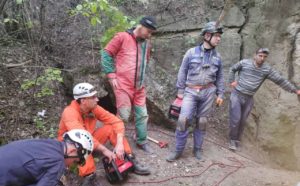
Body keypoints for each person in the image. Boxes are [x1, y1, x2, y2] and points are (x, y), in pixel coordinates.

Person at [57, 82, 151, 186]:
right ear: (83, 100)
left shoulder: (93, 108)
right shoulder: (70, 113)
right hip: (70, 149)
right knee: (80, 146)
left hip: (89, 139)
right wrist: (105, 150)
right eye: (93, 97)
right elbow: (81, 138)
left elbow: (116, 121)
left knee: (110, 129)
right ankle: (88, 179)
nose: (97, 99)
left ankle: (129, 158)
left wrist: (120, 143)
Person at [166, 21, 225, 162]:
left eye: (219, 36)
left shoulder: (218, 57)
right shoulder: (191, 53)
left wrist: (220, 93)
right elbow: (182, 71)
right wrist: (180, 90)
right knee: (183, 120)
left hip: (208, 92)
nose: (219, 39)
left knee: (202, 121)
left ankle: (197, 149)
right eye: (216, 36)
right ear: (207, 35)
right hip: (190, 91)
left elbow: (220, 76)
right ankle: (178, 150)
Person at [101, 16, 157, 154]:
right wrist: (111, 74)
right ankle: (116, 139)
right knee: (124, 115)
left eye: (151, 33)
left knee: (143, 115)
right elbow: (106, 53)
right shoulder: (121, 37)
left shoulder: (146, 43)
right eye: (148, 31)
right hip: (123, 86)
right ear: (140, 26)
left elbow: (146, 60)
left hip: (139, 86)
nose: (149, 35)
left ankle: (141, 140)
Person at [0, 129, 94, 186]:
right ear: (72, 151)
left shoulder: (49, 145)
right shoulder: (57, 162)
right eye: (75, 161)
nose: (71, 165)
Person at [228, 47, 300, 150]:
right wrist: (232, 81)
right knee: (236, 119)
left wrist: (295, 90)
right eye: (260, 56)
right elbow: (233, 69)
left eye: (264, 57)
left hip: (249, 98)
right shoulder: (244, 63)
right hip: (237, 94)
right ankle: (232, 140)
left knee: (243, 120)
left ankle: (237, 140)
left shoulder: (266, 69)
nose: (262, 58)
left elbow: (280, 80)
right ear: (255, 55)